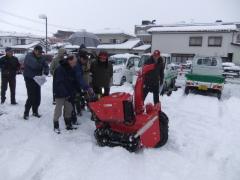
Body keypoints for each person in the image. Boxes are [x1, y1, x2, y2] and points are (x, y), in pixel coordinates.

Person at [23, 45, 49, 120]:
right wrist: (42, 65)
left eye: (41, 52)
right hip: (29, 78)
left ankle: (35, 111)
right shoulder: (29, 56)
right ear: (35, 50)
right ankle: (26, 113)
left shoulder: (41, 57)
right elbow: (35, 66)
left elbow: (46, 66)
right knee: (31, 96)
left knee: (38, 96)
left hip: (38, 79)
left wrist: (46, 72)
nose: (40, 54)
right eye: (39, 52)